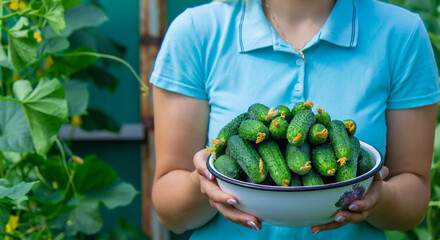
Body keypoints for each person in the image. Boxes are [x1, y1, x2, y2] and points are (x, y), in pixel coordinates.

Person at [149, 0, 440, 239]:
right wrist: (205, 184)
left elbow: (413, 202)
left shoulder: (402, 34)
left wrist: (372, 195)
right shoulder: (196, 32)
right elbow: (169, 211)